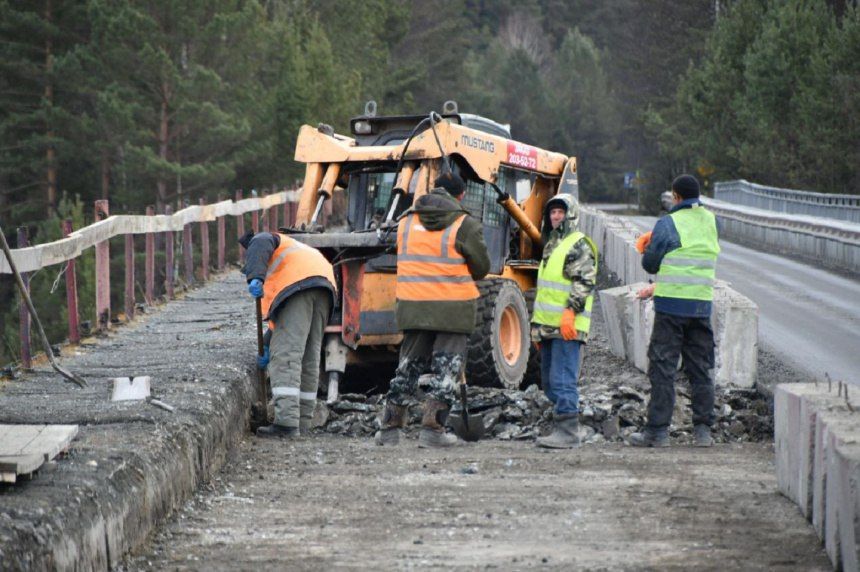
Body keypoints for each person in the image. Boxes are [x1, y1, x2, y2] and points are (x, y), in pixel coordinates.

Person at [374, 171, 490, 448]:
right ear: (460, 195)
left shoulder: (406, 221)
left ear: (434, 189)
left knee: (407, 368)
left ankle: (389, 429)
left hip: (412, 304)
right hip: (452, 308)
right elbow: (482, 267)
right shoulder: (465, 223)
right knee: (446, 371)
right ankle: (433, 430)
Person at [629, 174, 720, 448]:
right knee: (701, 368)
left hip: (671, 307)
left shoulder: (668, 223)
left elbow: (651, 264)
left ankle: (657, 432)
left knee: (663, 367)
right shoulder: (711, 220)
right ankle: (703, 432)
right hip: (701, 306)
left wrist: (649, 243)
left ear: (676, 197)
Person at [241, 230, 336, 439]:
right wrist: (267, 343)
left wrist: (255, 277)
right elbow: (284, 320)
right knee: (309, 357)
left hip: (301, 285)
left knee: (286, 355)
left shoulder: (262, 240)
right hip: (324, 285)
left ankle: (286, 423)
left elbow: (260, 242)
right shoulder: (291, 255)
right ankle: (302, 422)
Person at [530, 195, 598, 449]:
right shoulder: (552, 244)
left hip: (567, 325)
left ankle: (568, 430)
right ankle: (566, 426)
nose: (555, 216)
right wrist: (538, 329)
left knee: (562, 378)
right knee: (548, 380)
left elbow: (584, 282)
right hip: (550, 326)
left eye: (560, 212)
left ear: (571, 215)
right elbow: (547, 291)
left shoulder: (578, 245)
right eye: (552, 213)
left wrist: (571, 312)